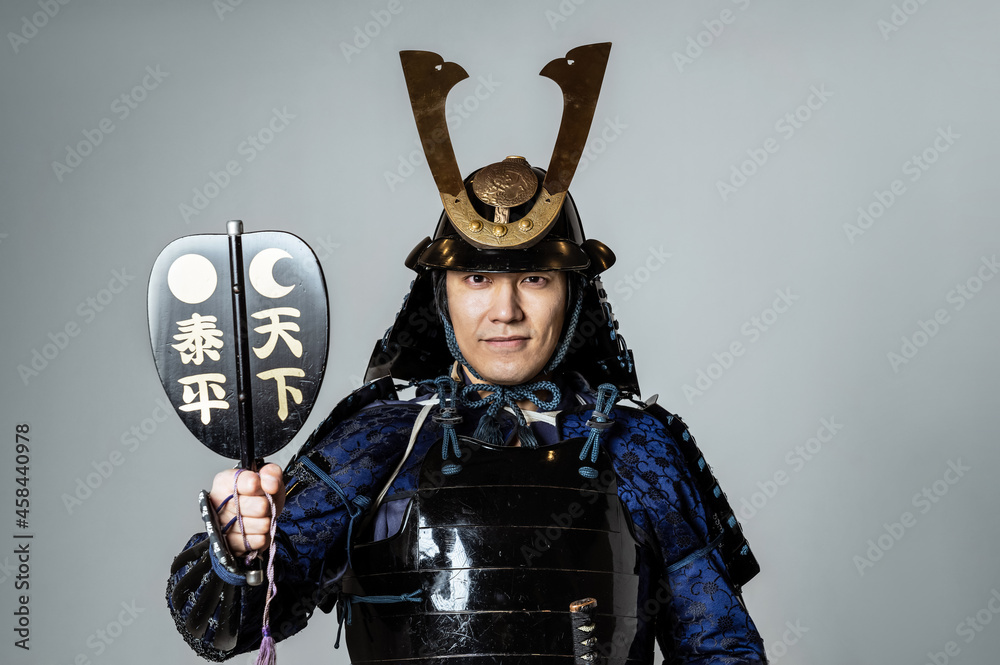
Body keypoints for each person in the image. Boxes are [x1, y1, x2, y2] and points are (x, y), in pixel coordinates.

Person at [167, 45, 767, 664]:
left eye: (534, 279)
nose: (505, 310)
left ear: (573, 294)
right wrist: (238, 549)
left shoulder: (640, 446)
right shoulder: (378, 442)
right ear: (442, 294)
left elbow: (720, 647)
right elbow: (221, 631)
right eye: (477, 279)